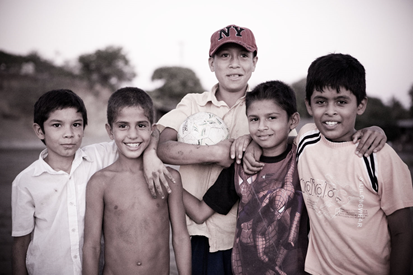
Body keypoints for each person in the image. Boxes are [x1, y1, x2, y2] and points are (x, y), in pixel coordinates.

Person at [156, 24, 387, 275]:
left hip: (260, 246)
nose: (234, 64)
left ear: (255, 62)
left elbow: (316, 142)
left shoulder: (265, 107)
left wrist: (373, 129)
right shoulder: (193, 103)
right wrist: (218, 153)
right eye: (224, 56)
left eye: (243, 56)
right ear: (211, 63)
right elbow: (164, 147)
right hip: (204, 237)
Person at [11, 89, 170, 275]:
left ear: (84, 127)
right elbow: (20, 244)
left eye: (76, 125)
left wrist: (150, 153)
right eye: (57, 125)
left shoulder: (99, 156)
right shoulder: (26, 181)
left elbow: (150, 132)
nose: (68, 134)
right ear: (40, 130)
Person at [296, 53, 413, 274]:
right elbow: (275, 143)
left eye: (341, 102)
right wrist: (250, 143)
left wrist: (377, 130)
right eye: (321, 102)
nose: (330, 111)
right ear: (309, 106)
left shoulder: (379, 156)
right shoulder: (305, 139)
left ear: (360, 105)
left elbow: (403, 232)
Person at [183, 81, 309, 274]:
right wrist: (170, 179)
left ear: (292, 121)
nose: (261, 127)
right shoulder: (240, 165)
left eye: (272, 118)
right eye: (254, 119)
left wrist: (373, 131)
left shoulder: (305, 157)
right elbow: (200, 213)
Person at [82, 87, 191, 275]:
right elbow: (91, 246)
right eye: (123, 126)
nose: (132, 135)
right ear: (110, 130)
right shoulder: (100, 183)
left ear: (152, 129)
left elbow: (181, 237)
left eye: (141, 125)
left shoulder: (170, 178)